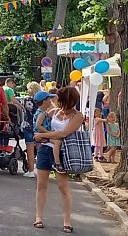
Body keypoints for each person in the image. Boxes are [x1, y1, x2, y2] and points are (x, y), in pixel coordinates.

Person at [33, 86, 85, 232]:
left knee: (63, 187)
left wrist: (43, 135)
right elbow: (41, 117)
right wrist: (40, 121)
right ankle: (38, 217)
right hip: (45, 150)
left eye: (63, 101)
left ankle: (67, 221)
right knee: (41, 185)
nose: (61, 104)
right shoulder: (55, 111)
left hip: (63, 153)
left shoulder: (77, 116)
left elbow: (64, 133)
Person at [22, 81, 43, 178]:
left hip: (28, 125)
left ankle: (31, 171)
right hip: (39, 126)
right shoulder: (42, 100)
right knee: (40, 149)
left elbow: (25, 111)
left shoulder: (27, 100)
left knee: (30, 149)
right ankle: (42, 170)